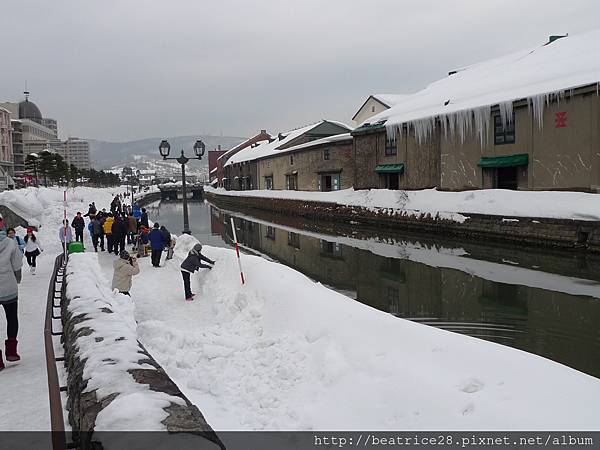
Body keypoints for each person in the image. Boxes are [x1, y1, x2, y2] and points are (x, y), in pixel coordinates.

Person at [0, 215, 23, 369]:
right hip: (8, 286)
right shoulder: (10, 242)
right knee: (11, 318)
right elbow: (17, 264)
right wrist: (17, 279)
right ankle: (11, 351)